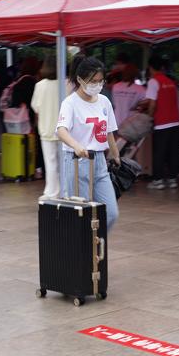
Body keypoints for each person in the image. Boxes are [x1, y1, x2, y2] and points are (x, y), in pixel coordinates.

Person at [56, 54, 120, 230]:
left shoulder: (104, 101)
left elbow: (108, 131)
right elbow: (61, 130)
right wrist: (77, 146)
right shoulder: (70, 103)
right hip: (77, 162)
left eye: (101, 81)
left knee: (111, 213)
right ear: (80, 79)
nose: (97, 85)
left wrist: (115, 154)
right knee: (82, 215)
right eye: (93, 81)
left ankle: (95, 245)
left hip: (99, 162)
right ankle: (82, 254)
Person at [145, 55, 179, 190]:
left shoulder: (153, 82)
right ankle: (172, 179)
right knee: (173, 152)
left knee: (159, 152)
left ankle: (158, 180)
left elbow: (152, 104)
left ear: (150, 68)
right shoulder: (170, 82)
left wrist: (149, 118)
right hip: (176, 121)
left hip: (162, 122)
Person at [31, 53, 61, 200]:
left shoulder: (39, 85)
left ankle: (51, 192)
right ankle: (65, 191)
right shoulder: (67, 84)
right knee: (65, 163)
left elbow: (36, 108)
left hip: (46, 129)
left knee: (50, 163)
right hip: (64, 131)